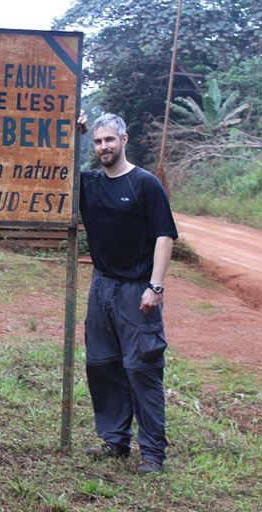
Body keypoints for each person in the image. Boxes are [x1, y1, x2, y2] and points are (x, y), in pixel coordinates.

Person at [77, 112, 178, 474]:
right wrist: (75, 133)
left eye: (109, 140)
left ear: (124, 140)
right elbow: (55, 171)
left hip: (138, 289)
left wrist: (156, 285)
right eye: (98, 141)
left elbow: (164, 235)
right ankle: (115, 441)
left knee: (142, 369)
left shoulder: (145, 184)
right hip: (101, 285)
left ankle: (152, 452)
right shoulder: (89, 185)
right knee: (102, 365)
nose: (104, 146)